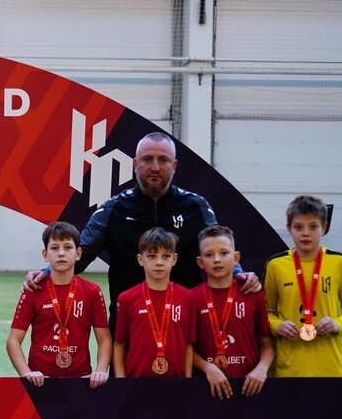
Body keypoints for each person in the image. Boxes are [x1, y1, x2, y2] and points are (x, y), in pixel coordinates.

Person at [26, 132, 260, 328]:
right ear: (135, 164)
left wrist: (238, 273)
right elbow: (79, 254)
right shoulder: (112, 210)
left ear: (174, 166)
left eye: (163, 160)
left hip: (183, 327)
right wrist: (45, 273)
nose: (155, 167)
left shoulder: (196, 207)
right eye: (147, 159)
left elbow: (218, 250)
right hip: (127, 328)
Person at [264, 195, 342, 377]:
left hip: (331, 368)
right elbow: (265, 312)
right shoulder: (275, 265)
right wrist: (277, 326)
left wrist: (337, 324)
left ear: (324, 228)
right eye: (298, 227)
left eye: (313, 227)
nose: (306, 233)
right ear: (289, 228)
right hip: (288, 369)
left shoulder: (339, 262)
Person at [7, 221, 111, 388]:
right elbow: (13, 340)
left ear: (78, 253)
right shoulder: (33, 290)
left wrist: (100, 370)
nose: (61, 253)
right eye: (54, 248)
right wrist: (26, 373)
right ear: (45, 254)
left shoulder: (92, 291)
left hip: (82, 381)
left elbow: (104, 338)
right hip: (41, 382)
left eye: (68, 247)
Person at [191, 225, 274, 399]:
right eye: (209, 255)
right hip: (207, 388)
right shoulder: (191, 298)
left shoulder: (253, 294)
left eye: (223, 253)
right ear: (200, 262)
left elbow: (267, 345)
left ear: (236, 257)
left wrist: (261, 369)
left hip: (250, 387)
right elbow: (187, 348)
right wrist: (208, 367)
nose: (217, 260)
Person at [113, 228, 196, 378]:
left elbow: (189, 345)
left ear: (174, 259)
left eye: (166, 256)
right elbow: (119, 344)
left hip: (177, 383)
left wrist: (188, 381)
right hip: (135, 384)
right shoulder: (126, 298)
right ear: (140, 259)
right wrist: (121, 383)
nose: (159, 262)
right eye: (152, 256)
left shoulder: (188, 297)